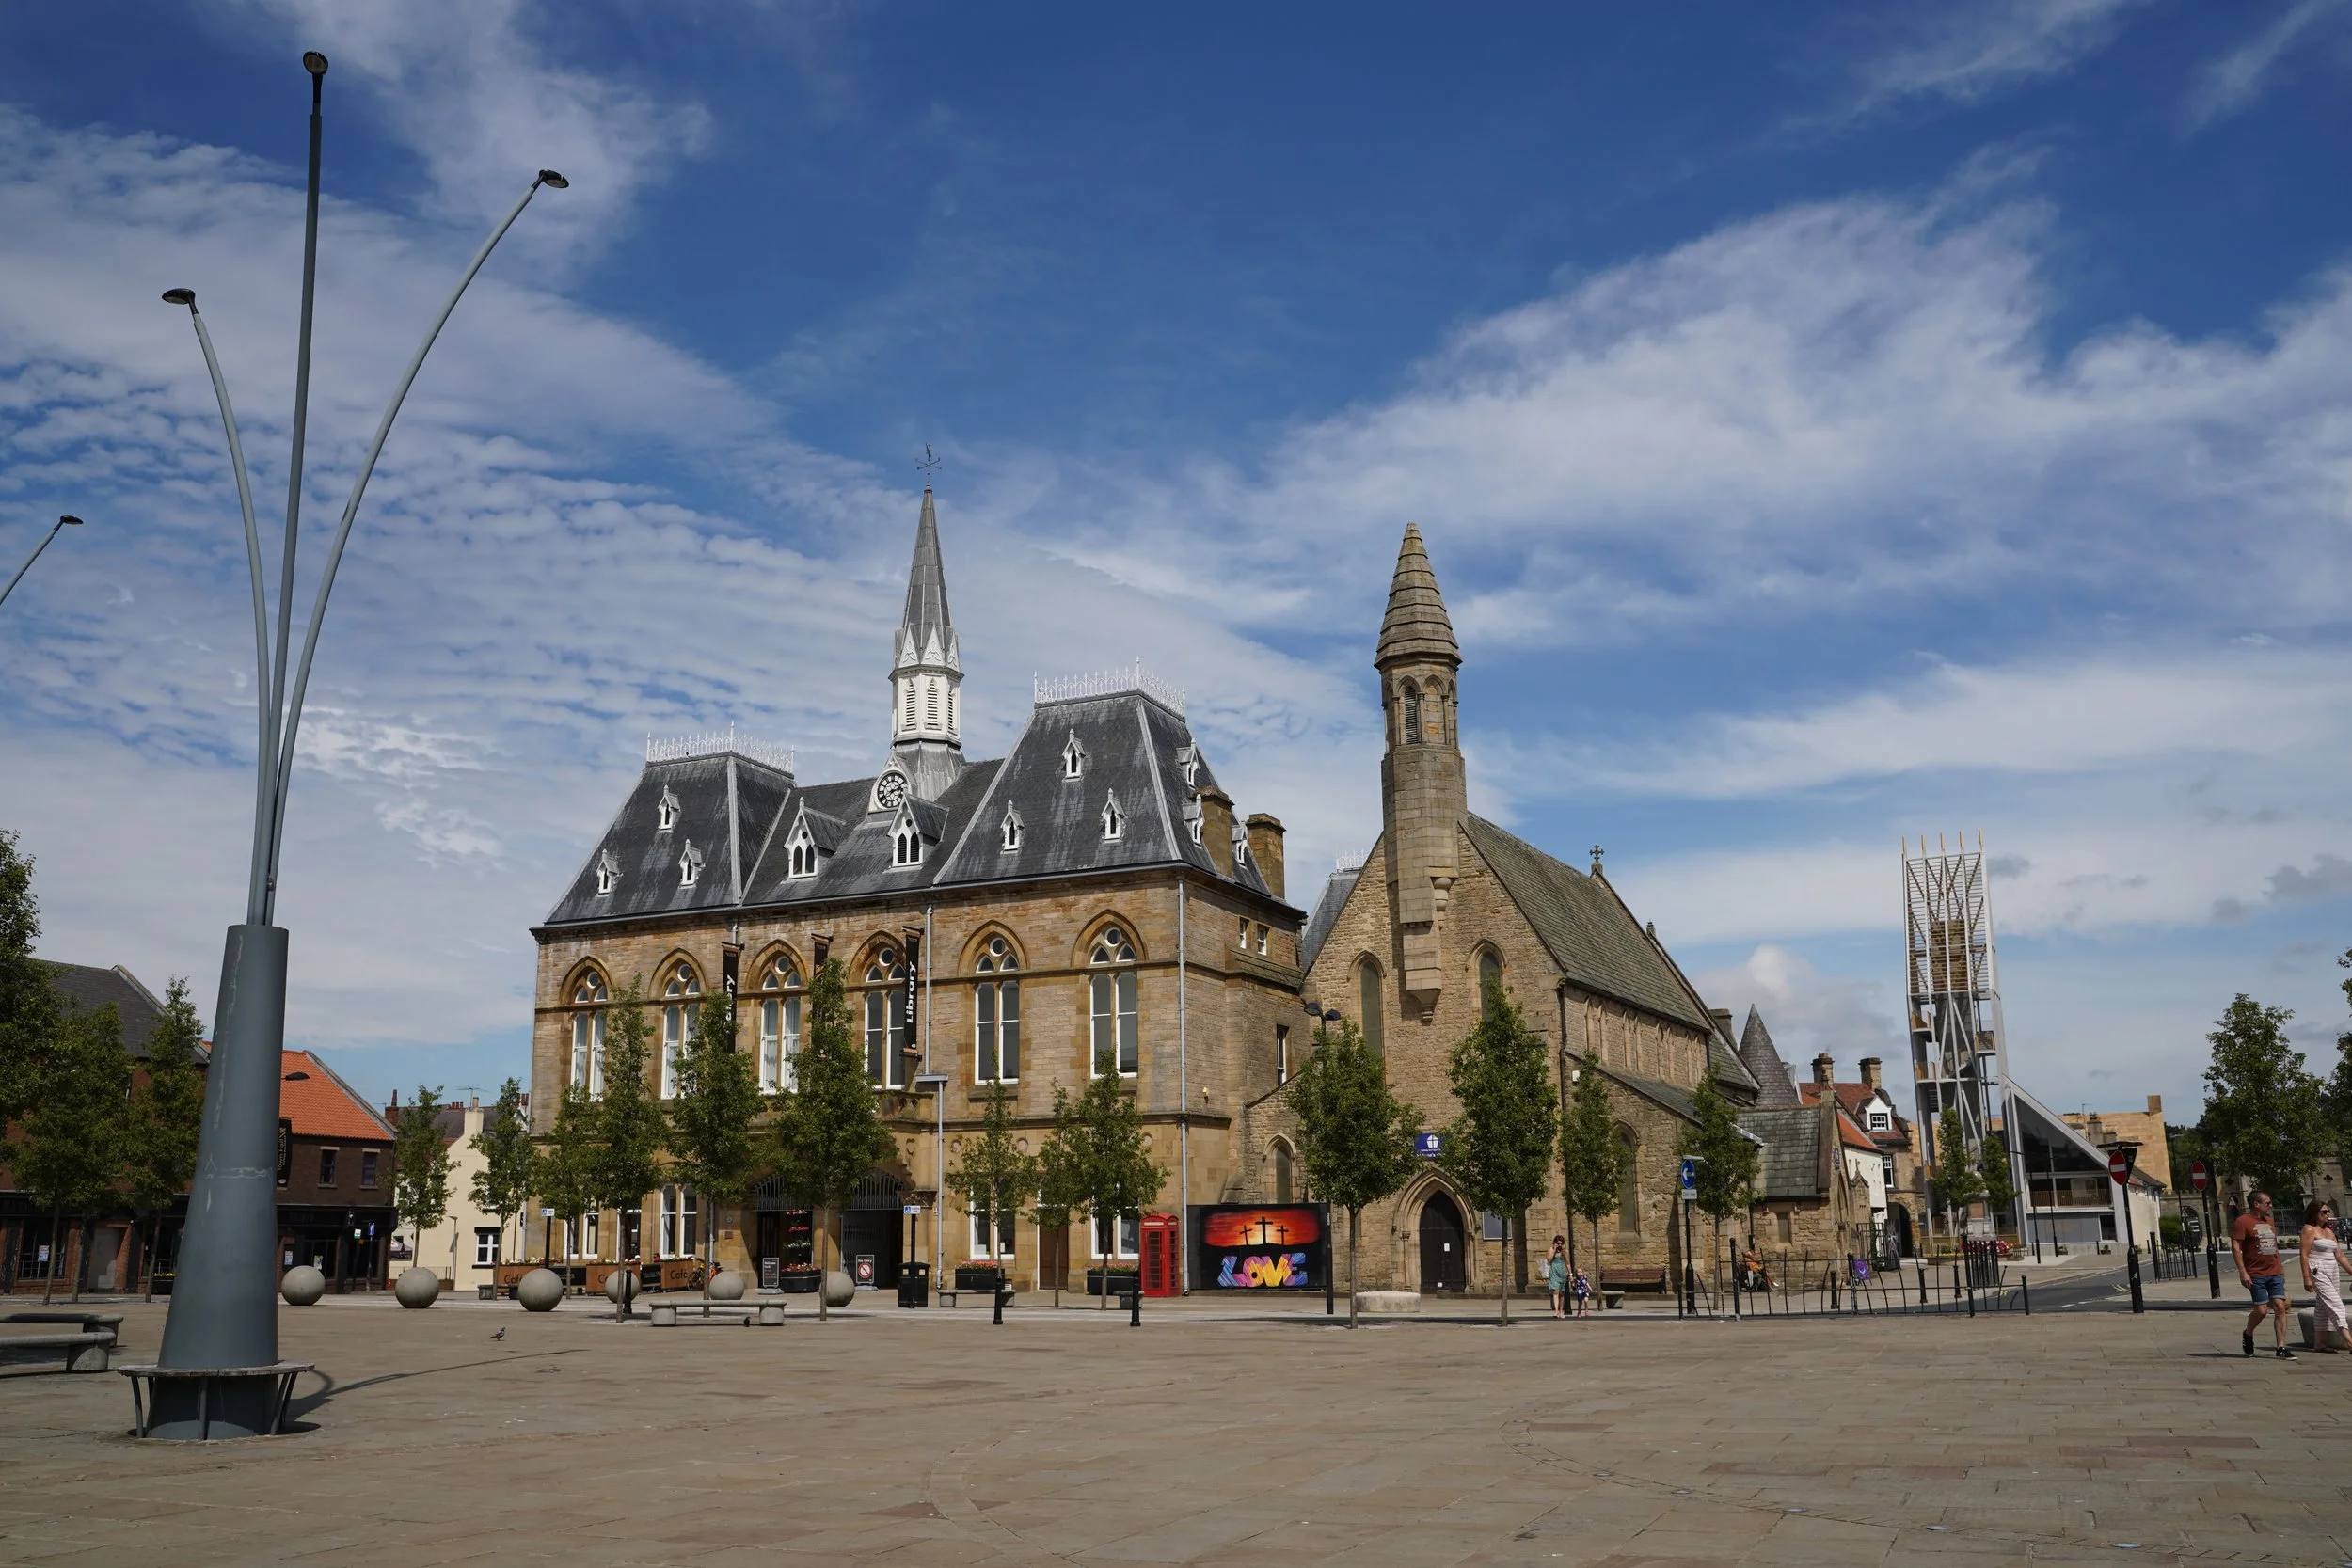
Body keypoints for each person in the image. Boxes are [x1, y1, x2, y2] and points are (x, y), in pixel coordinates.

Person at [2233, 1190, 2296, 1359]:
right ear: (2256, 1204)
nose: (2270, 1206)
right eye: (2267, 1203)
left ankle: (2281, 1347)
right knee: (2261, 1311)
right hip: (2256, 1273)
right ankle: (2248, 1333)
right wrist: (2243, 1272)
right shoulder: (2242, 1222)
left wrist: (2280, 1269)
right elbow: (2236, 1248)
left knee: (2280, 1307)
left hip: (2274, 1272)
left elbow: (2273, 1247)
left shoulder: (2269, 1222)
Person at [2302, 1200, 2348, 1353]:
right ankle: (2350, 1342)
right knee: (2336, 1305)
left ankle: (2319, 1343)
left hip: (2332, 1269)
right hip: (2317, 1269)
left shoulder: (2329, 1232)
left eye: (2328, 1211)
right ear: (2315, 1213)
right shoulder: (2309, 1230)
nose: (2327, 1214)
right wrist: (2306, 1278)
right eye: (2324, 1212)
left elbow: (2340, 1255)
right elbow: (2304, 1254)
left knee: (2322, 1307)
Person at [1545, 1236, 1569, 1319]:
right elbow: (1549, 1260)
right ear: (1555, 1242)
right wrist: (1554, 1250)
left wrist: (1571, 1274)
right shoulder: (1551, 1249)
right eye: (1558, 1243)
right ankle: (1556, 1311)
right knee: (1555, 1291)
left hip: (1562, 1273)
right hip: (1554, 1272)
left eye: (1561, 1244)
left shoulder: (1565, 1251)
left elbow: (1568, 1263)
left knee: (1561, 1293)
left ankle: (1561, 1310)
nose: (1559, 1245)